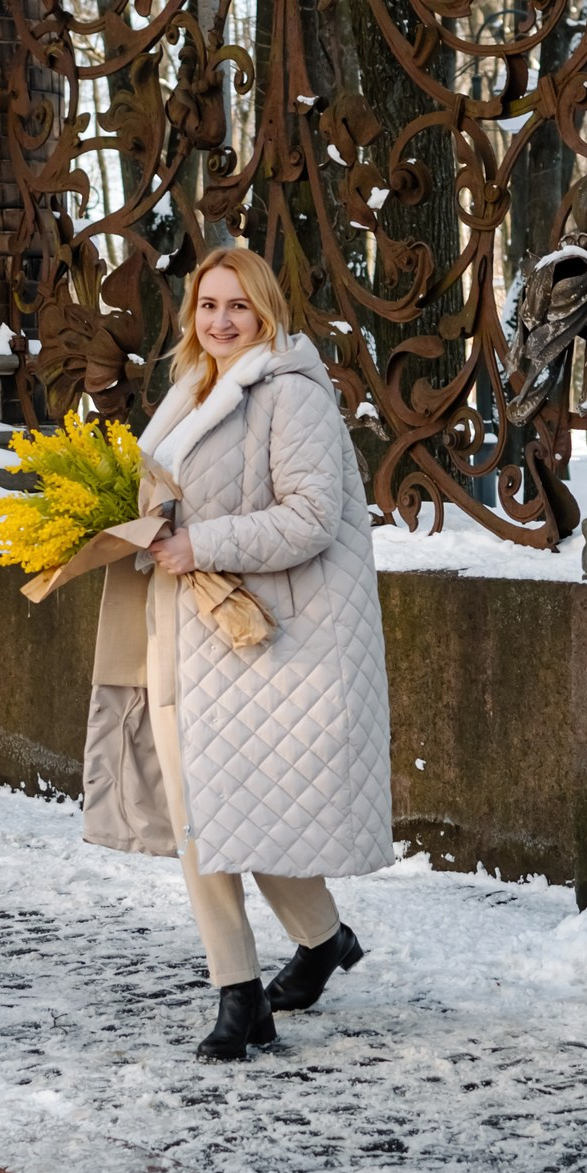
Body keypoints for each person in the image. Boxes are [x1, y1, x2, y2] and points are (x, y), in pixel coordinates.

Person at [82, 246, 394, 1061]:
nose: (221, 321)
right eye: (208, 305)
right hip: (179, 628)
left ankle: (270, 975)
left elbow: (312, 518)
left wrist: (201, 544)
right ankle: (268, 974)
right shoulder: (190, 388)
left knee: (234, 814)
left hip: (260, 643)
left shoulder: (291, 394)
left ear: (266, 311)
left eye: (238, 306)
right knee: (208, 815)